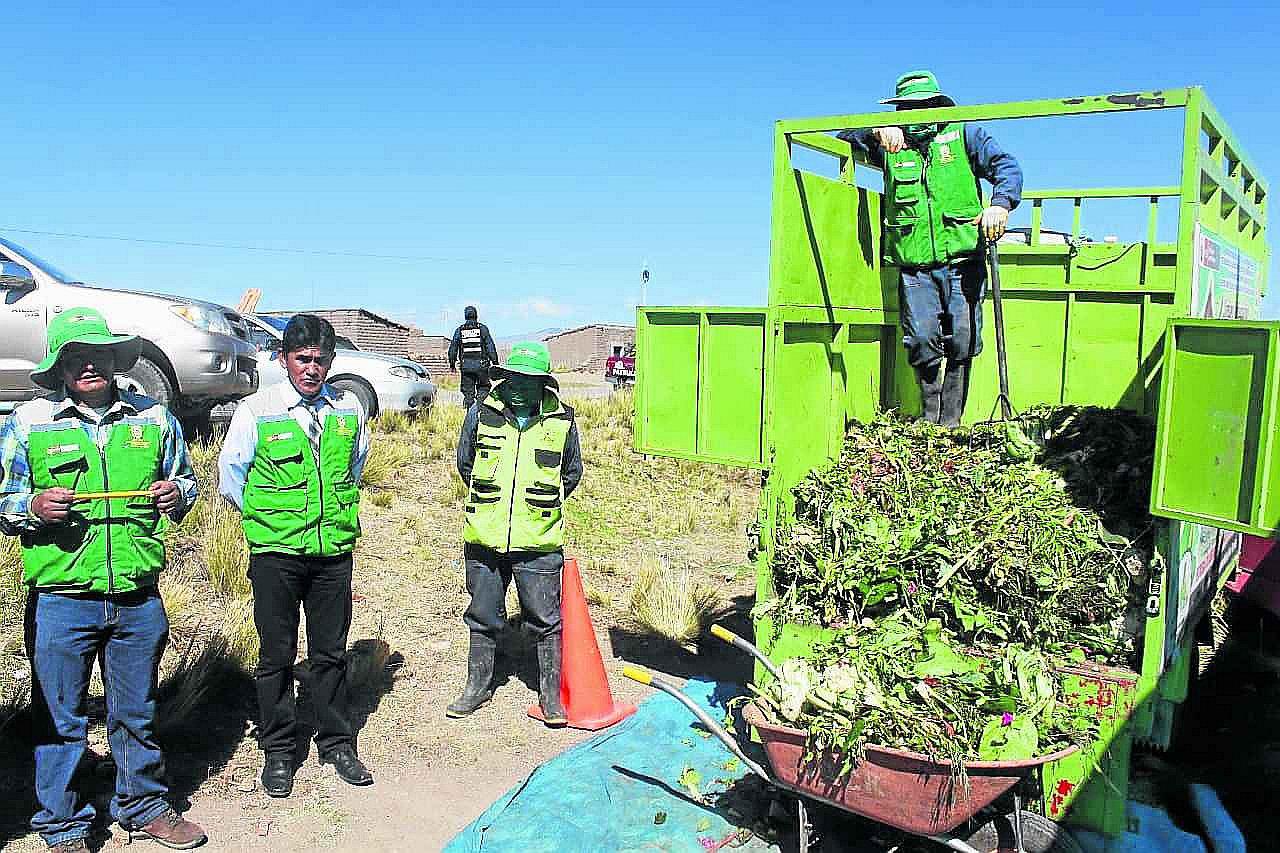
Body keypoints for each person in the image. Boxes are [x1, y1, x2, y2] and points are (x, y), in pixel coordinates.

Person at [0, 308, 207, 851]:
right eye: (75, 358)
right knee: (59, 720)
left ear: (116, 362)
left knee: (136, 712)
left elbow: (188, 482)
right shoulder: (29, 424)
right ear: (59, 367)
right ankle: (63, 824)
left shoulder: (154, 420)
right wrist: (34, 506)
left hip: (138, 599)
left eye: (99, 356)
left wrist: (176, 493)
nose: (88, 366)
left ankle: (143, 806)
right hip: (62, 601)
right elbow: (3, 502)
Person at [217, 314, 373, 798]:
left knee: (330, 653)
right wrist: (275, 524)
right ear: (284, 359)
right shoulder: (255, 412)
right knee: (276, 655)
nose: (312, 369)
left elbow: (355, 466)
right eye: (303, 359)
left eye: (321, 360)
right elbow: (232, 479)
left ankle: (336, 742)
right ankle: (279, 751)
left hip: (332, 554)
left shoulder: (348, 411)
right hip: (276, 555)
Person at [838, 70, 1022, 427]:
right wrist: (873, 132)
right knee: (921, 339)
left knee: (964, 339)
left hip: (963, 260)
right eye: (907, 107)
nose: (915, 113)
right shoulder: (889, 144)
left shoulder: (965, 134)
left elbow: (1006, 166)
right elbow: (843, 134)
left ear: (937, 105)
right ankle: (929, 420)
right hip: (915, 266)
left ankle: (950, 425)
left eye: (922, 106)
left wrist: (1000, 205)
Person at [447, 341, 583, 725]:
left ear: (545, 385)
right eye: (513, 378)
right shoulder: (481, 412)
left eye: (529, 381)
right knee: (483, 613)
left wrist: (535, 508)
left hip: (537, 539)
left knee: (545, 618)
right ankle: (477, 686)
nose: (519, 387)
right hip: (485, 536)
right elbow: (465, 463)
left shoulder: (562, 421)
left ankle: (550, 696)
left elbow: (570, 473)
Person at [448, 305, 499, 409]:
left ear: (465, 316)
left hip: (466, 367)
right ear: (476, 315)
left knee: (468, 392)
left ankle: (470, 412)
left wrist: (452, 364)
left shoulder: (460, 330)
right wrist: (495, 363)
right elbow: (490, 347)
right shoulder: (482, 328)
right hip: (482, 367)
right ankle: (479, 407)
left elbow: (453, 348)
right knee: (484, 388)